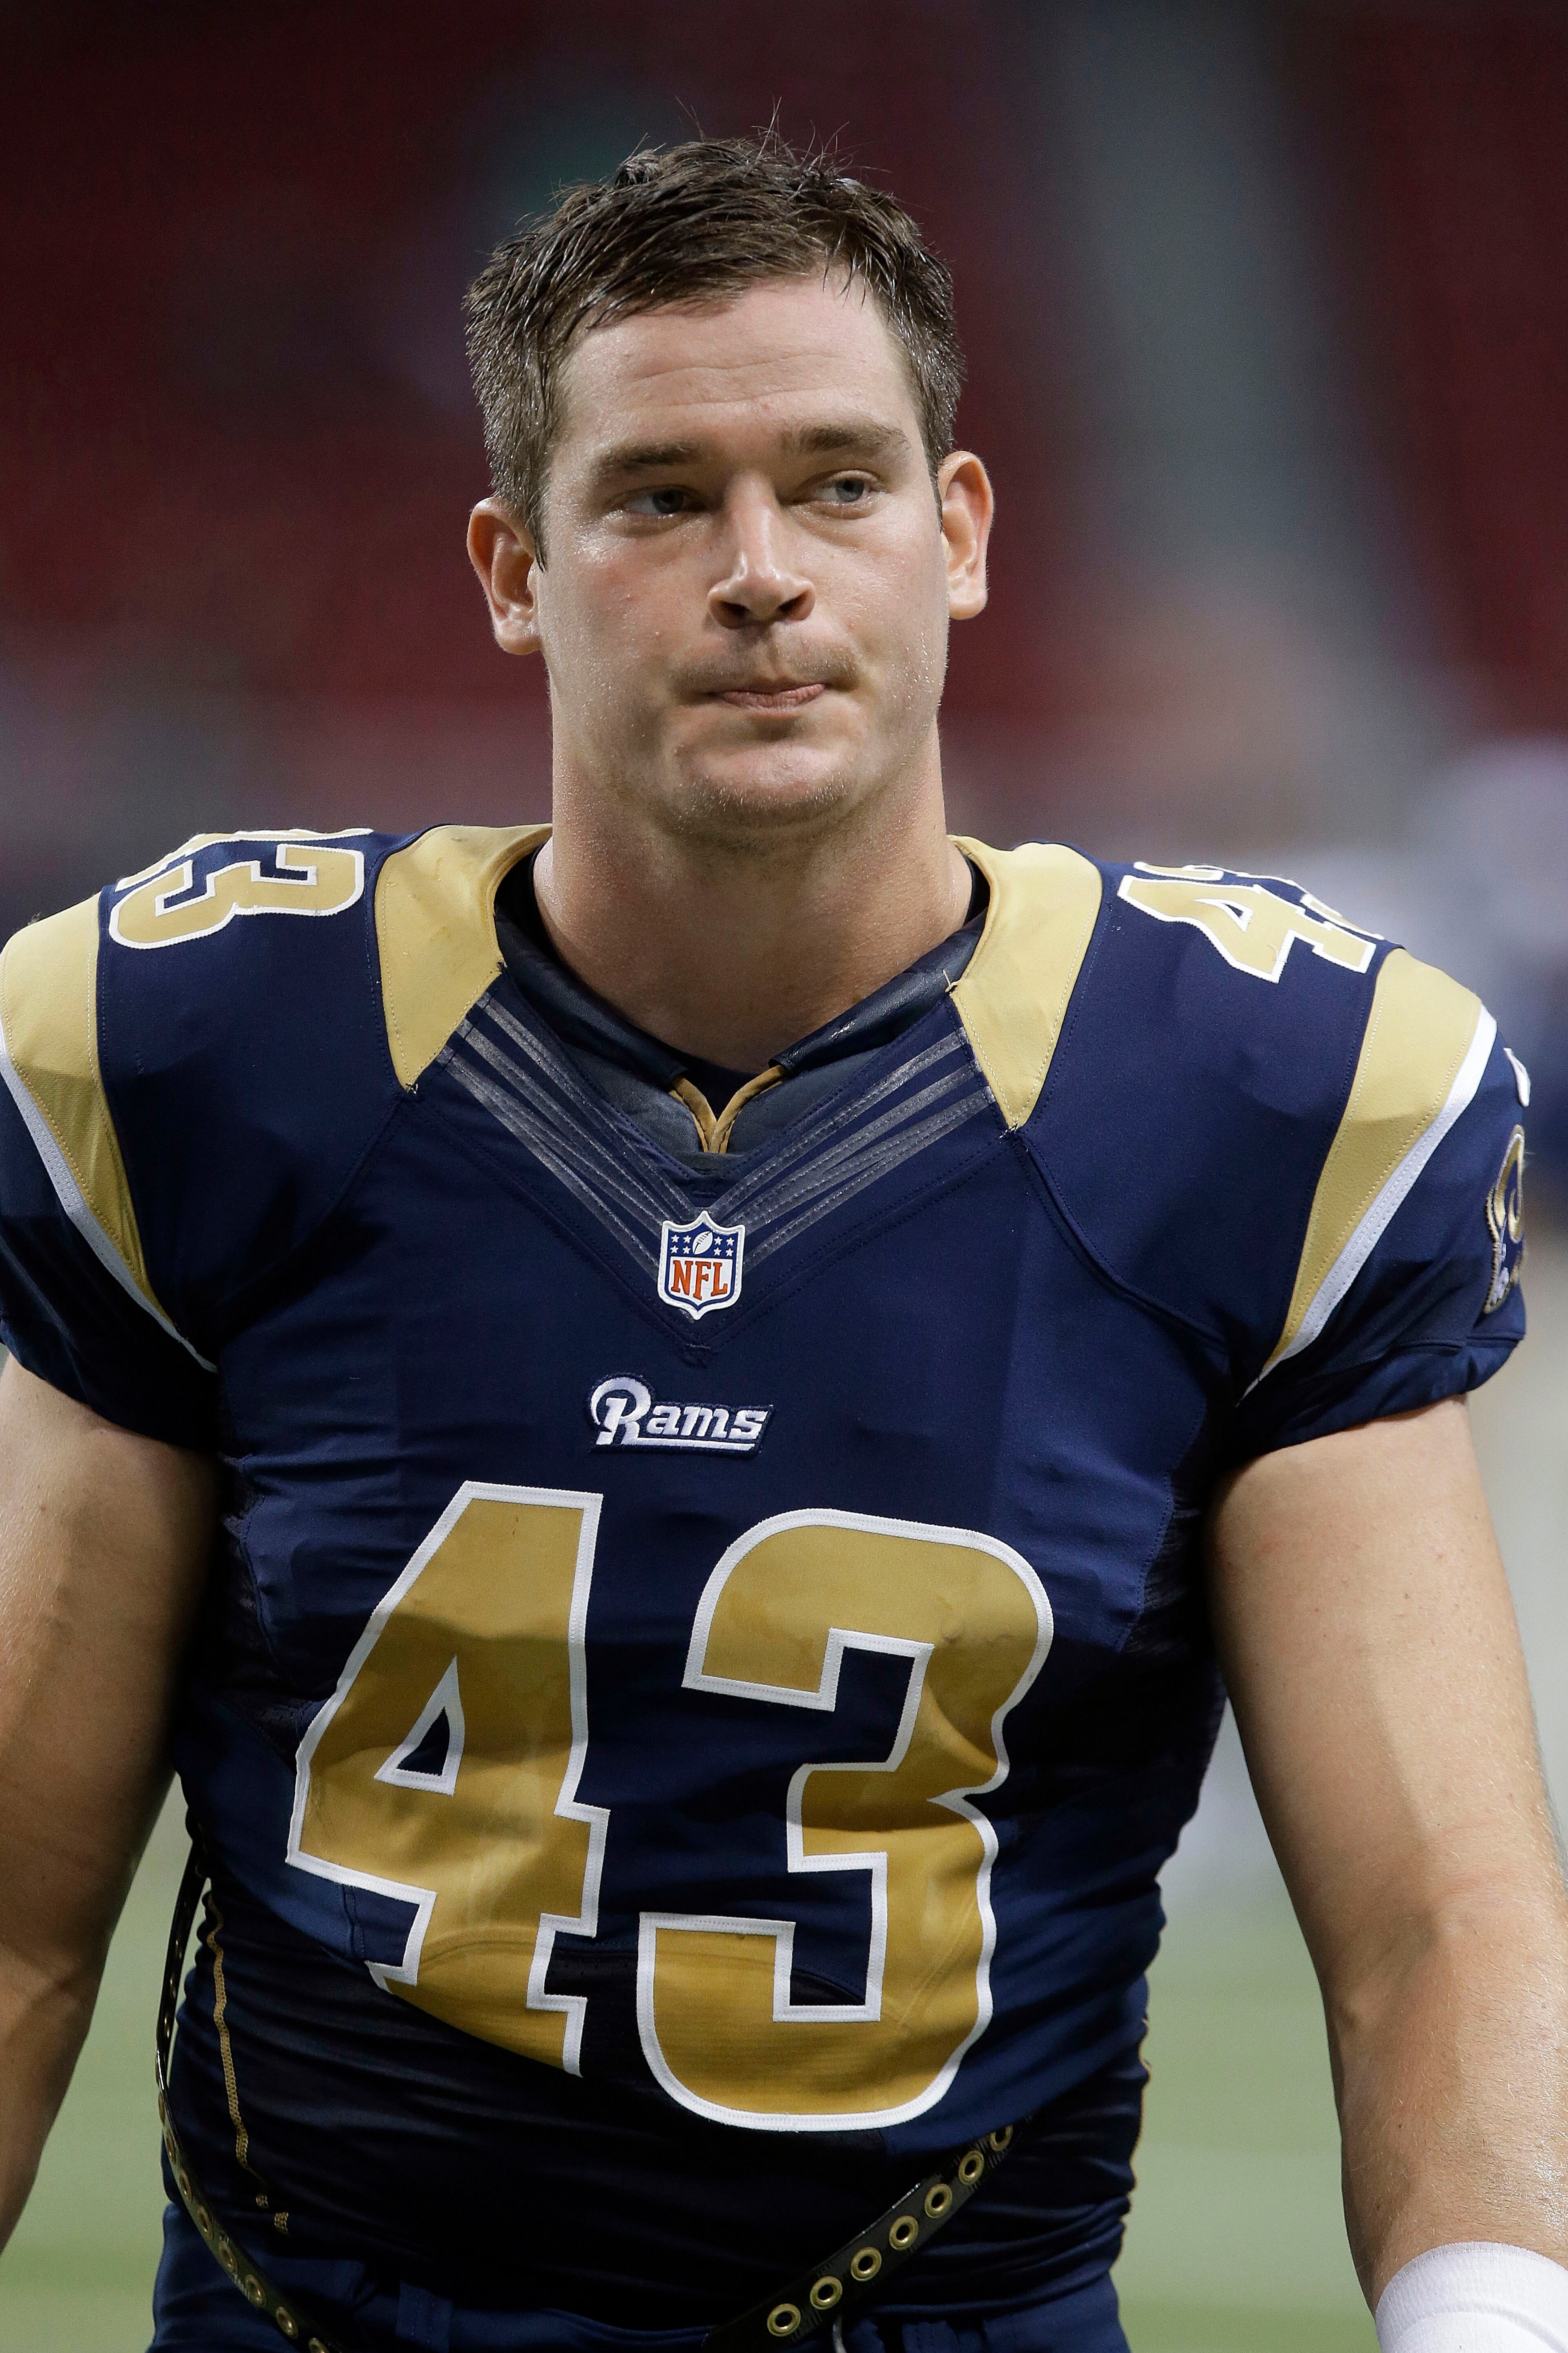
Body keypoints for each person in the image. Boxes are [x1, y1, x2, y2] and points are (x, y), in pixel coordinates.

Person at [0, 133, 1562, 2353]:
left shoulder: (1254, 1105)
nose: (762, 572)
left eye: (838, 482)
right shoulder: (216, 1045)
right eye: (659, 496)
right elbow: (19, 1910)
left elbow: (1435, 1916)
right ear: (512, 568)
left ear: (960, 533)